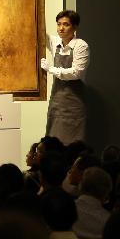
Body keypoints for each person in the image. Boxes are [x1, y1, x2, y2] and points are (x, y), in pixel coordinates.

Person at [40, 10, 89, 145]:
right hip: (57, 101)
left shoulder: (81, 45)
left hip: (74, 102)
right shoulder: (55, 42)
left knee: (72, 145)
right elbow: (39, 32)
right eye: (59, 24)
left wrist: (51, 69)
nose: (61, 28)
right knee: (53, 142)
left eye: (66, 24)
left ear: (74, 27)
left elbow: (76, 72)